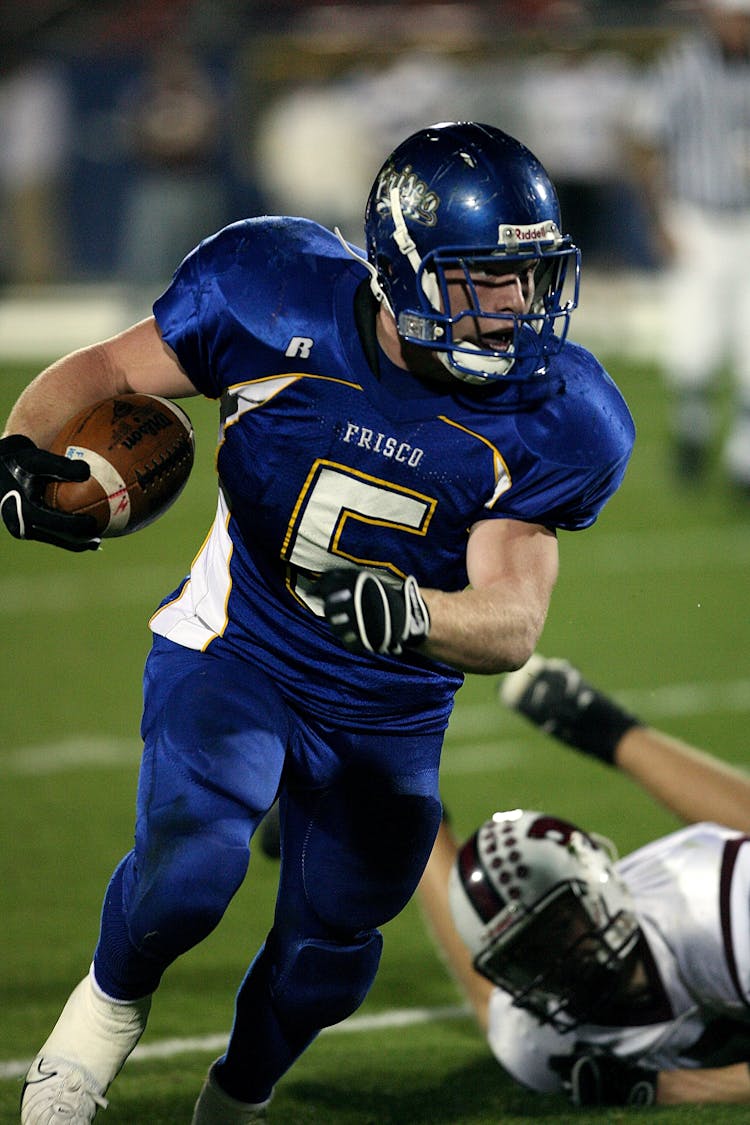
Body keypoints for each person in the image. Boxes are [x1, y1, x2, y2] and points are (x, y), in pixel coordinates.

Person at [0, 121, 635, 1124]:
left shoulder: (559, 412)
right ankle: (90, 1038)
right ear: (403, 270)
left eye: (529, 276)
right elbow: (108, 375)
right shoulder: (269, 289)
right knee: (192, 863)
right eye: (483, 278)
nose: (515, 308)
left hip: (390, 702)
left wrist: (411, 612)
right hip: (241, 641)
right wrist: (22, 449)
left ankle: (237, 1098)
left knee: (330, 954)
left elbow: (512, 619)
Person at [418, 652, 750, 1108]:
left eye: (558, 930)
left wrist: (662, 1089)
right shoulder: (535, 1040)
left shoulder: (712, 908)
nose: (555, 963)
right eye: (525, 957)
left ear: (598, 891)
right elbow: (498, 1001)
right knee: (494, 1009)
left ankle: (596, 723)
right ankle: (393, 810)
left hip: (710, 879)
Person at [629, 0, 750, 488]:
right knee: (694, 341)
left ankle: (743, 458)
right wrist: (659, 217)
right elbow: (642, 137)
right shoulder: (681, 66)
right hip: (696, 216)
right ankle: (693, 432)